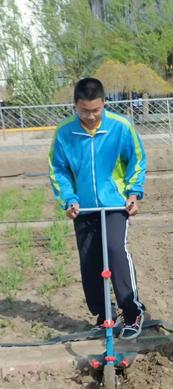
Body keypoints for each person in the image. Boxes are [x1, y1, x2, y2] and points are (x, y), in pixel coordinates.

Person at [49, 77, 147, 340]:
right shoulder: (65, 134)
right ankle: (104, 314)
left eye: (96, 110)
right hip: (83, 208)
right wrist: (68, 199)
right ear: (75, 105)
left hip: (115, 204)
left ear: (104, 103)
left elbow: (136, 160)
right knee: (89, 260)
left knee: (115, 251)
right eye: (84, 111)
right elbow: (59, 170)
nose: (91, 117)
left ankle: (133, 311)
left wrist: (134, 193)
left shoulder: (120, 127)